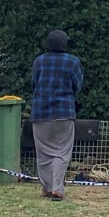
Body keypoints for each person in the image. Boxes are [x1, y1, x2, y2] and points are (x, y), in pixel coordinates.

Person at [30, 29, 84, 201]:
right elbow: (77, 85)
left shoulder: (39, 61)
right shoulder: (73, 62)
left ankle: (47, 187)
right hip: (64, 111)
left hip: (40, 112)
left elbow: (34, 83)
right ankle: (58, 189)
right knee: (61, 152)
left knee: (43, 152)